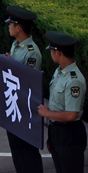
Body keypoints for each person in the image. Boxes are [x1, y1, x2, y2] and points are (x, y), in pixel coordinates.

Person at [3, 6, 43, 173]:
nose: (8, 27)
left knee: (26, 147)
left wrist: (11, 63)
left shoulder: (31, 52)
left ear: (18, 27)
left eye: (11, 24)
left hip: (25, 105)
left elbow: (29, 79)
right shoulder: (16, 45)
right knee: (16, 145)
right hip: (13, 101)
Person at [40, 31, 86, 173]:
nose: (51, 54)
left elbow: (72, 115)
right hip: (58, 131)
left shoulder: (74, 80)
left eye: (52, 51)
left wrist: (47, 113)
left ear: (58, 52)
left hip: (69, 133)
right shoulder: (59, 72)